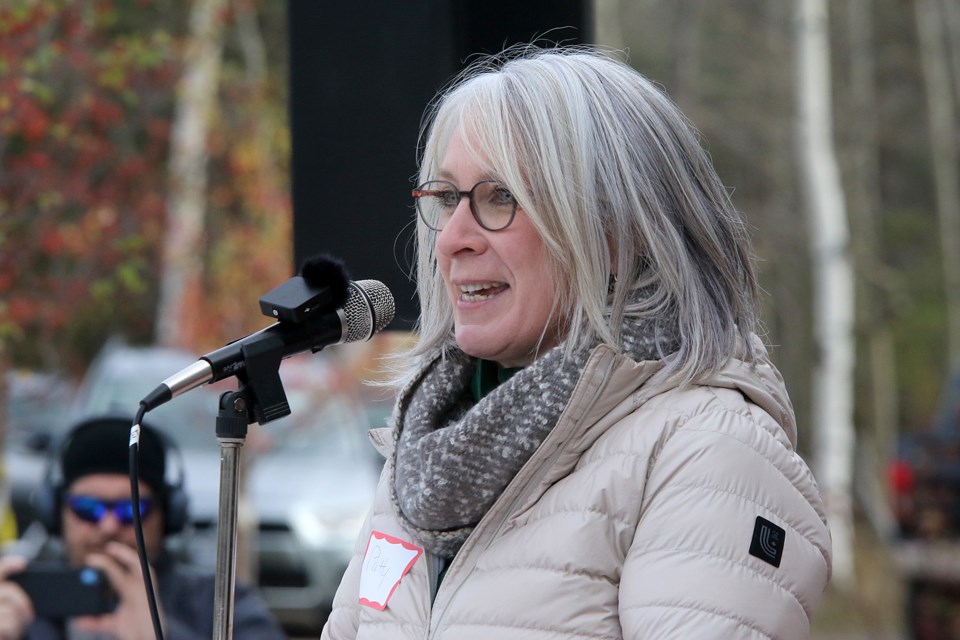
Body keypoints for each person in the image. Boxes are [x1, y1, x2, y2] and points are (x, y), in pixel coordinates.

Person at [321, 44, 833, 640]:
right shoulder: (424, 449)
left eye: (501, 197)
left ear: (614, 233)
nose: (453, 238)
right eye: (444, 198)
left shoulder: (706, 450)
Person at [0, 414, 287, 640]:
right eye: (88, 509)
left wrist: (165, 635)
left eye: (132, 510)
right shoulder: (24, 604)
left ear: (169, 515)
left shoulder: (221, 605)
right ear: (55, 513)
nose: (109, 526)